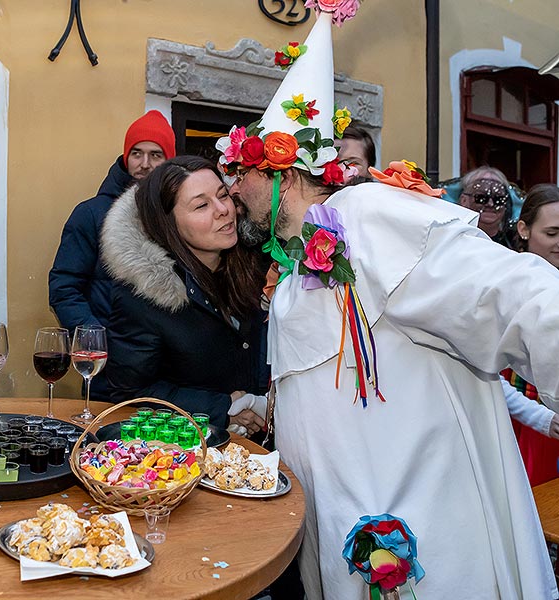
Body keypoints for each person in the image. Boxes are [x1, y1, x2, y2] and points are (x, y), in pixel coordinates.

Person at [220, 5, 558, 598]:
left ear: (283, 174)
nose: (230, 188)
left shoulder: (370, 216)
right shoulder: (297, 263)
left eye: (238, 171)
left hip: (418, 526)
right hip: (339, 528)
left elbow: (510, 292)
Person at [100, 156, 269, 435]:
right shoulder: (143, 296)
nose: (222, 210)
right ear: (169, 224)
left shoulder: (253, 263)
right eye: (201, 205)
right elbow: (130, 393)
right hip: (184, 451)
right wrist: (222, 406)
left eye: (222, 195)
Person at [49, 110, 175, 399]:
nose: (145, 164)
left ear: (170, 161)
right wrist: (96, 339)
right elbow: (64, 287)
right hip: (110, 373)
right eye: (136, 153)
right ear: (125, 157)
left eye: (156, 155)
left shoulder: (182, 216)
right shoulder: (91, 214)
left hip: (170, 375)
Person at [501, 183, 559, 486]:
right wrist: (537, 417)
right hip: (524, 423)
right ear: (523, 229)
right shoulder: (503, 283)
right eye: (552, 234)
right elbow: (477, 366)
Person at [457, 165, 515, 248]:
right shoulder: (453, 240)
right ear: (464, 200)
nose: (490, 204)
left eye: (498, 199)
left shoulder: (515, 243)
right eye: (481, 198)